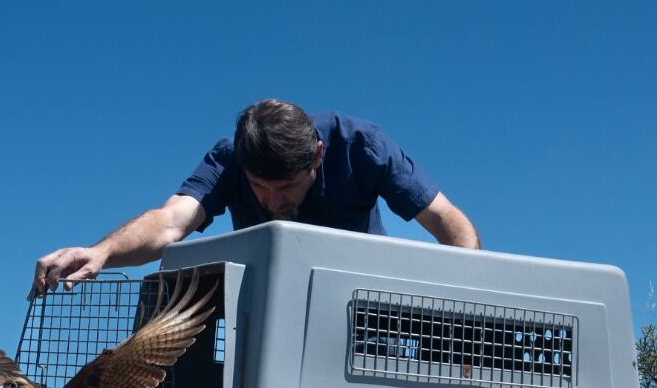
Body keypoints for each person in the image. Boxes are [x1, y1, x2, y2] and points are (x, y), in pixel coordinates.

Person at [28, 99, 480, 298]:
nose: (271, 201)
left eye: (286, 188)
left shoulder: (359, 144)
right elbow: (170, 223)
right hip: (271, 310)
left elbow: (449, 222)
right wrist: (102, 251)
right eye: (260, 188)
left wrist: (466, 314)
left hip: (362, 313)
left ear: (317, 156)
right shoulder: (228, 158)